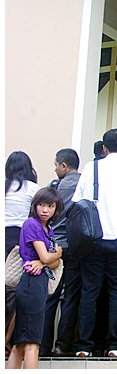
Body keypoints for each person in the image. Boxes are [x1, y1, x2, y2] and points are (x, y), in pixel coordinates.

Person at [71, 128, 117, 357]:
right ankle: (116, 344)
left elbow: (78, 202)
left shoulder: (90, 168)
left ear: (103, 148)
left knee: (89, 291)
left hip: (93, 239)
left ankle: (84, 345)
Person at [7, 187, 63, 369]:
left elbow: (52, 263)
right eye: (41, 205)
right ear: (34, 206)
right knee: (31, 344)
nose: (45, 210)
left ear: (56, 208)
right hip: (32, 283)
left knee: (21, 344)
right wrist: (57, 253)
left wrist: (46, 261)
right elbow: (48, 258)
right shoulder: (32, 224)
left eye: (50, 206)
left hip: (38, 284)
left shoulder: (48, 229)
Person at [40, 149, 82, 357]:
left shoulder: (55, 186)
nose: (55, 169)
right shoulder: (84, 184)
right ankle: (64, 345)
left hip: (53, 247)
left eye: (56, 165)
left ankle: (43, 345)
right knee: (71, 297)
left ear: (64, 165)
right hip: (75, 247)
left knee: (50, 296)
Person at [5, 151, 40, 355]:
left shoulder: (4, 186)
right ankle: (9, 339)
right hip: (21, 239)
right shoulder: (33, 189)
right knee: (17, 289)